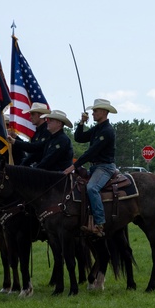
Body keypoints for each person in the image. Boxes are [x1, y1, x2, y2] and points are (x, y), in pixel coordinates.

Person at [65, 99, 117, 237]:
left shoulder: (107, 131)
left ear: (104, 112)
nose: (92, 113)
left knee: (92, 188)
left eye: (95, 111)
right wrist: (81, 122)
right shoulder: (97, 129)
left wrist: (74, 166)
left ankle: (99, 223)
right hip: (95, 168)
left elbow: (92, 152)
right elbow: (79, 137)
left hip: (105, 168)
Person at [10, 102, 52, 167]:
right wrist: (16, 138)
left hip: (43, 168)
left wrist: (15, 141)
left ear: (41, 115)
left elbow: (35, 148)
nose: (30, 117)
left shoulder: (47, 131)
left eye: (33, 114)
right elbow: (32, 148)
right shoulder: (38, 132)